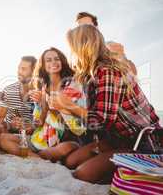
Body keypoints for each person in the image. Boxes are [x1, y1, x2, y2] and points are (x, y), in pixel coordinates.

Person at [54, 24, 162, 183]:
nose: (71, 54)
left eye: (72, 48)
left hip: (143, 142)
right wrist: (65, 108)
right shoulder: (92, 75)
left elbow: (100, 120)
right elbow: (90, 121)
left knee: (82, 174)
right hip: (118, 139)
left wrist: (69, 106)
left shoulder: (107, 71)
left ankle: (129, 170)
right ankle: (111, 164)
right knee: (71, 162)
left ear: (83, 48)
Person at [0, 47, 79, 161]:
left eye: (56, 59)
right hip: (38, 139)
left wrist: (47, 104)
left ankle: (35, 155)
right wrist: (25, 125)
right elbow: (39, 123)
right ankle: (36, 157)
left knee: (65, 149)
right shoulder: (42, 88)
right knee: (2, 139)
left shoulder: (71, 86)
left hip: (61, 138)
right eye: (48, 60)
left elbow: (74, 123)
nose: (53, 63)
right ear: (43, 66)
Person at [76, 11, 137, 76]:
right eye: (79, 28)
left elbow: (133, 74)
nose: (84, 30)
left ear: (96, 28)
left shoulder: (110, 47)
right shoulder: (75, 59)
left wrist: (121, 58)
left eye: (88, 26)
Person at [0, 56, 37, 134]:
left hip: (34, 136)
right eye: (18, 68)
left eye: (23, 69)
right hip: (10, 134)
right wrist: (10, 125)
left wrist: (30, 125)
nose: (19, 71)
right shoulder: (9, 90)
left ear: (34, 72)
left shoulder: (40, 93)